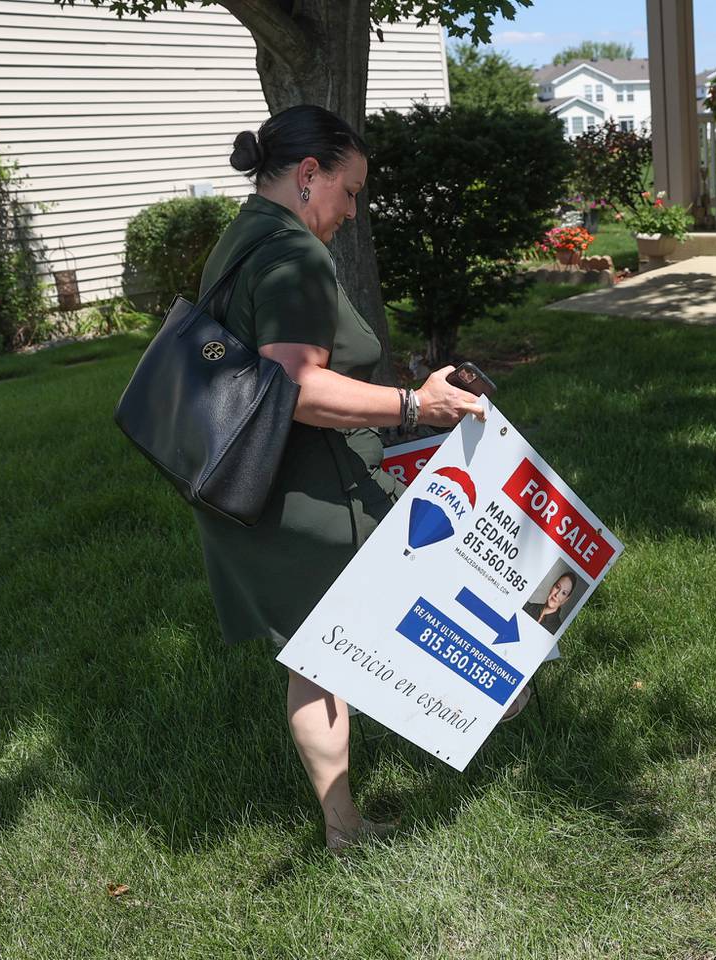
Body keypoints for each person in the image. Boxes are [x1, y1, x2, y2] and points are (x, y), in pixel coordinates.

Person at [194, 105, 485, 851]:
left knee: (317, 655)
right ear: (308, 174)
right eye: (348, 191)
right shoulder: (292, 257)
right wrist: (416, 404)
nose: (352, 212)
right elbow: (299, 385)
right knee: (406, 605)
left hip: (256, 490)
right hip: (306, 489)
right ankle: (489, 707)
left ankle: (344, 827)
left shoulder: (242, 237)